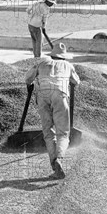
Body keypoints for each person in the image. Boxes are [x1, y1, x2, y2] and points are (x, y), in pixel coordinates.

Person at [25, 42, 80, 179]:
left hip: (42, 95)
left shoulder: (42, 62)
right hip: (60, 95)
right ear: (64, 57)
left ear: (52, 55)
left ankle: (53, 163)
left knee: (48, 132)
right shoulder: (68, 65)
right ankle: (59, 159)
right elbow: (76, 82)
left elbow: (27, 79)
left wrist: (32, 83)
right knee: (63, 133)